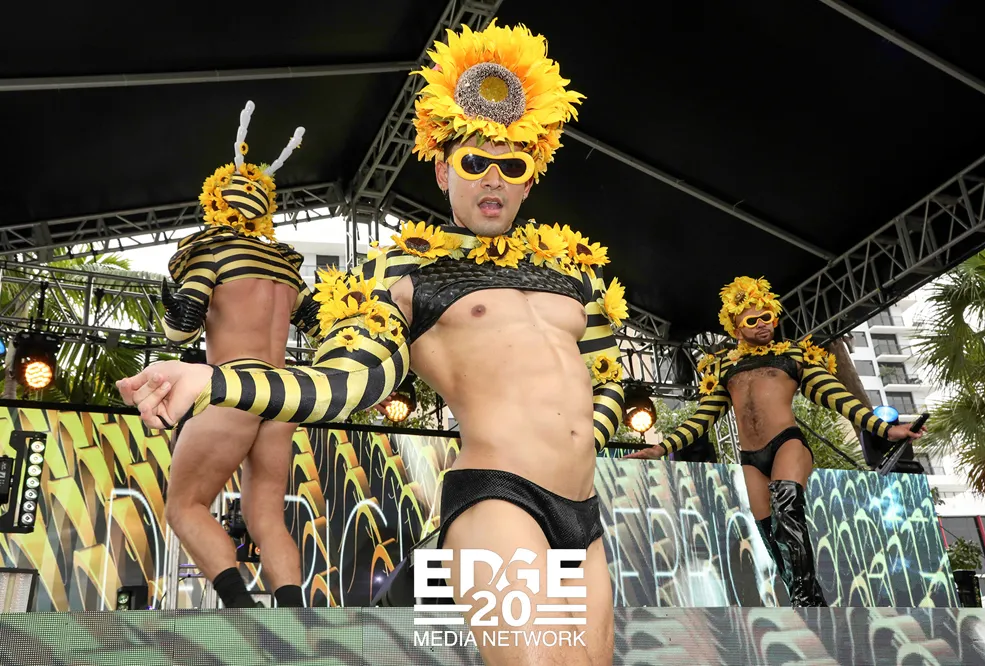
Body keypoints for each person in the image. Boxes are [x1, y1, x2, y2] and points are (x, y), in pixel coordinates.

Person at [119, 22, 624, 665]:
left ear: (530, 179)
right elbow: (346, 381)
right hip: (500, 499)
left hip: (584, 514)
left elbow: (606, 379)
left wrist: (586, 434)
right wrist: (212, 381)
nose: (492, 179)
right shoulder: (404, 272)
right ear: (442, 170)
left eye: (512, 165)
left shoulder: (575, 271)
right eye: (474, 162)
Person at [625, 276, 924, 606]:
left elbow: (836, 396)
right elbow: (702, 418)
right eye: (752, 321)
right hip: (750, 458)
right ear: (736, 329)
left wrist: (885, 430)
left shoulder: (794, 355)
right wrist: (661, 448)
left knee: (787, 505)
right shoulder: (724, 366)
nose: (763, 324)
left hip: (787, 443)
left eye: (767, 316)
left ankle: (807, 599)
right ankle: (799, 594)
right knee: (768, 531)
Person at [157, 101, 321, 609]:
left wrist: (171, 308)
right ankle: (294, 617)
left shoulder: (211, 250)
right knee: (266, 517)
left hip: (233, 385)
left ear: (217, 199)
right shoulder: (286, 267)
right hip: (283, 394)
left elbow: (181, 330)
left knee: (184, 506)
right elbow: (322, 326)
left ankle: (241, 610)